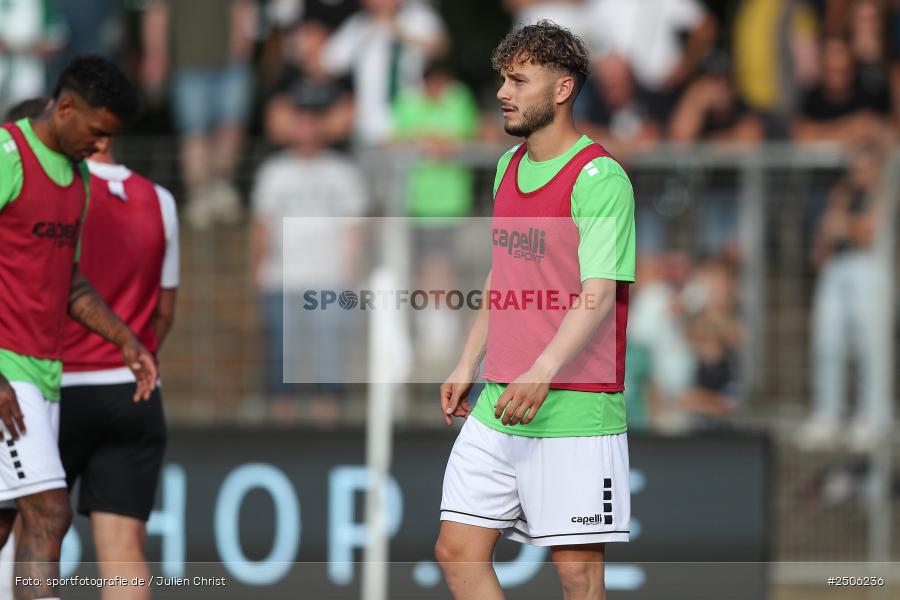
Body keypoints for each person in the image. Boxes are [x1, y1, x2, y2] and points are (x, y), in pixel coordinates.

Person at [435, 21, 636, 600]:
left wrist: (542, 371)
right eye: (503, 78)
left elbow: (597, 294)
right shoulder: (507, 167)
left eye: (519, 80)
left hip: (573, 404)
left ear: (562, 89)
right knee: (457, 552)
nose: (503, 91)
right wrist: (467, 360)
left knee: (578, 574)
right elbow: (505, 275)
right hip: (502, 399)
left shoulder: (600, 179)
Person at [0, 55, 157, 600]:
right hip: (6, 370)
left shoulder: (77, 176)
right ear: (64, 107)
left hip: (44, 373)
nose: (98, 147)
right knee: (50, 509)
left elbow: (65, 278)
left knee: (4, 523)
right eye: (95, 133)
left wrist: (123, 338)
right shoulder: (7, 155)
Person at [57, 135, 179, 599]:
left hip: (57, 385)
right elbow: (165, 313)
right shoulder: (160, 199)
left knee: (29, 536)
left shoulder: (55, 190)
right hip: (134, 391)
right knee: (124, 551)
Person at [251, 89, 368, 426]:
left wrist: (351, 270)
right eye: (300, 121)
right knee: (280, 358)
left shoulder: (342, 172)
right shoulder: (273, 172)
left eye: (313, 121)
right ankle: (281, 423)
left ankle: (326, 424)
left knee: (329, 355)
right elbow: (261, 224)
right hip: (281, 276)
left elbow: (354, 226)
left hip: (329, 278)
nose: (306, 128)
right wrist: (258, 267)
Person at [141, 0, 256, 228]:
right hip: (188, 62)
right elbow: (157, 14)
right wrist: (156, 57)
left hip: (232, 62)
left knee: (231, 127)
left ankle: (222, 188)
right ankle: (199, 195)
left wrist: (241, 50)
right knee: (193, 131)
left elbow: (244, 8)